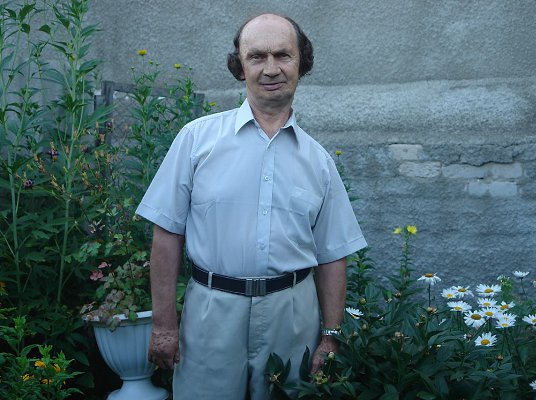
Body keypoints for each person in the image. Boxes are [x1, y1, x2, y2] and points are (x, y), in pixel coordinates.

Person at [136, 13, 366, 399]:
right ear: (240, 66)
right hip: (210, 315)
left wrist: (330, 336)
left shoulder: (319, 162)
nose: (271, 68)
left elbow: (332, 256)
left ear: (301, 63)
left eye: (283, 55)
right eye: (257, 56)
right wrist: (163, 324)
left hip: (292, 317)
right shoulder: (196, 141)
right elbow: (167, 234)